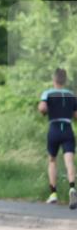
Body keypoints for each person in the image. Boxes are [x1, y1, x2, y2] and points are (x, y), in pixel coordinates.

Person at [39, 68, 76, 208]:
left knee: (52, 160)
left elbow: (42, 108)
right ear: (65, 80)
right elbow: (76, 115)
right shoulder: (71, 95)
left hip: (54, 128)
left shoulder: (48, 93)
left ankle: (53, 194)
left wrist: (45, 110)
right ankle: (72, 188)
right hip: (67, 128)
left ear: (54, 80)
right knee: (69, 160)